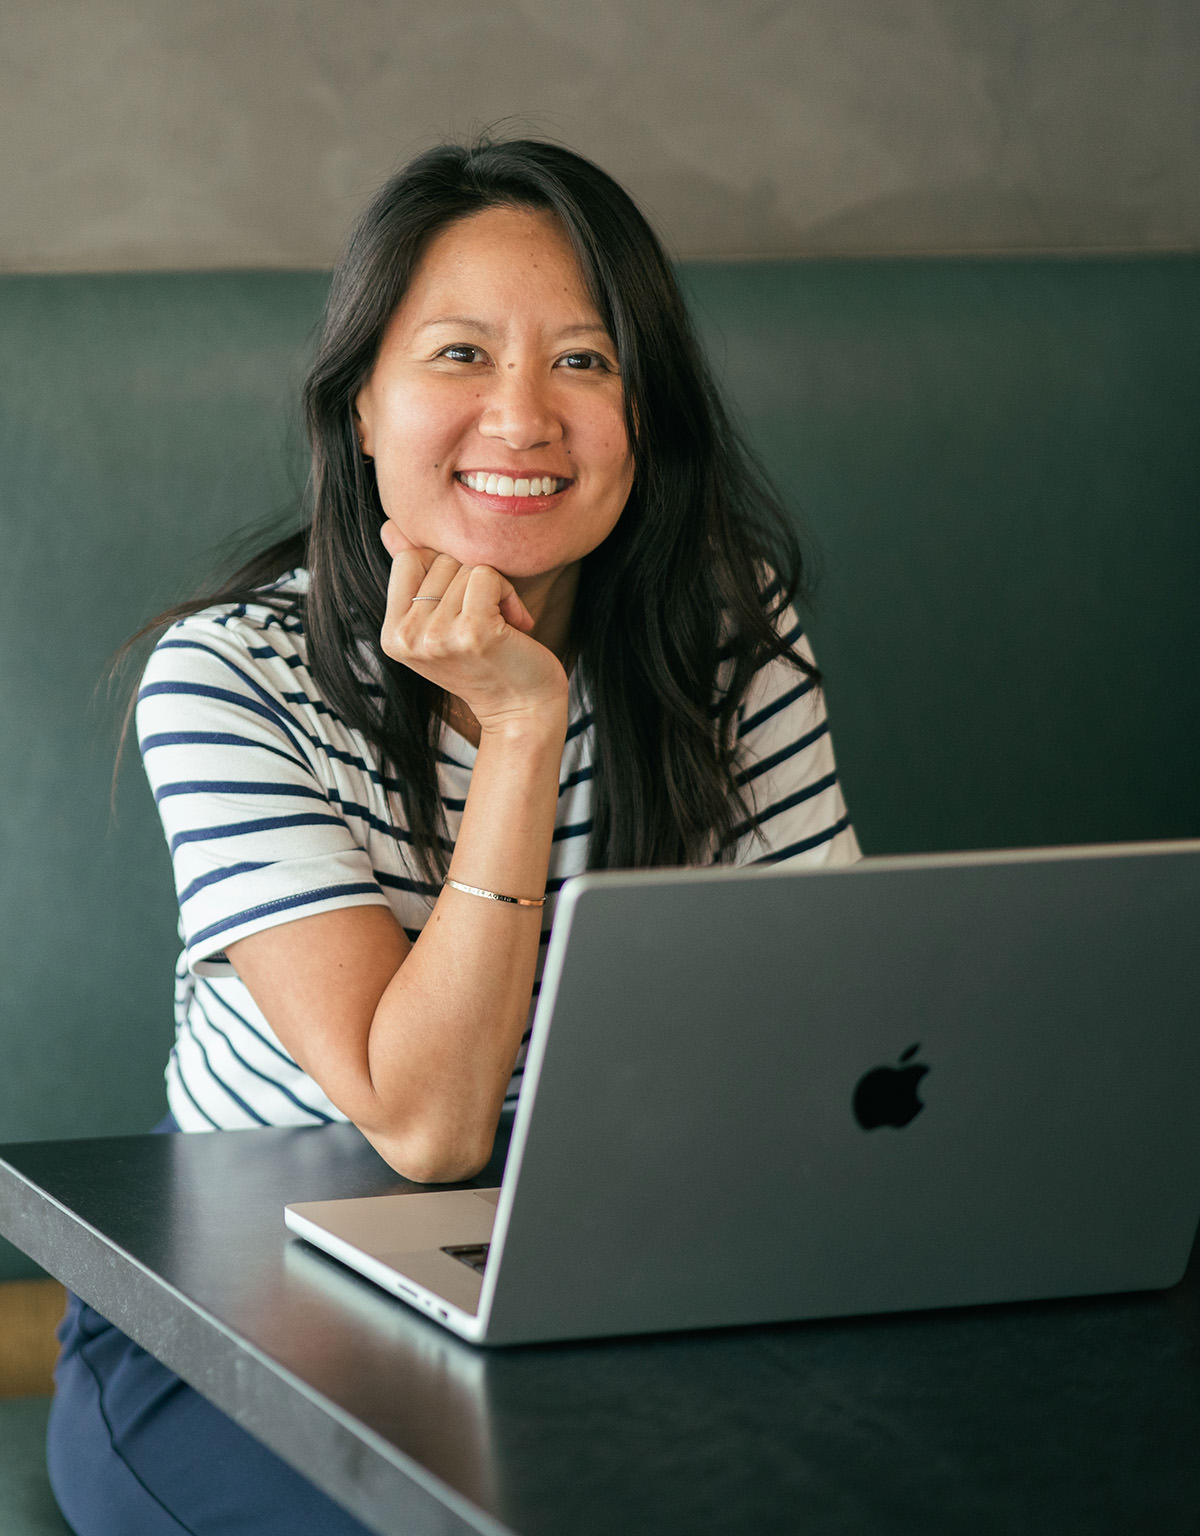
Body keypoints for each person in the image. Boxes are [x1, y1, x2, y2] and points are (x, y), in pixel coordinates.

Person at [48, 137, 860, 1533]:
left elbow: (835, 1025)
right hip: (243, 1332)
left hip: (601, 1291)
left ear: (645, 414)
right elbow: (424, 1125)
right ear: (361, 404)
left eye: (586, 364)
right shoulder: (231, 676)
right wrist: (523, 734)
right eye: (461, 355)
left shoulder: (729, 640)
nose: (524, 417)